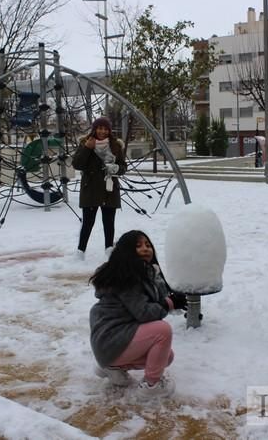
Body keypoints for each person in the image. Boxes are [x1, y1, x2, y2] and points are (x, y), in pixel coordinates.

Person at [89, 230, 187, 399]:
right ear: (125, 251)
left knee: (166, 357)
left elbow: (158, 298)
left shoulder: (142, 273)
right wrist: (169, 304)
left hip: (114, 341)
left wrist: (157, 279)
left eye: (148, 245)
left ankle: (113, 369)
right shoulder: (127, 279)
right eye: (138, 246)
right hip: (112, 339)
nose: (145, 249)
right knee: (162, 331)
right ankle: (151, 387)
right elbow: (144, 312)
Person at [72, 117, 127, 259]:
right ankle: (80, 251)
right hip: (90, 188)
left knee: (109, 222)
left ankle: (109, 250)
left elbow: (123, 167)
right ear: (94, 129)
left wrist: (116, 168)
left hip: (109, 189)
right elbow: (77, 164)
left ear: (109, 130)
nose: (102, 131)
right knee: (88, 222)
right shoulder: (86, 143)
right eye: (99, 128)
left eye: (105, 129)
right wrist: (87, 149)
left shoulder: (116, 145)